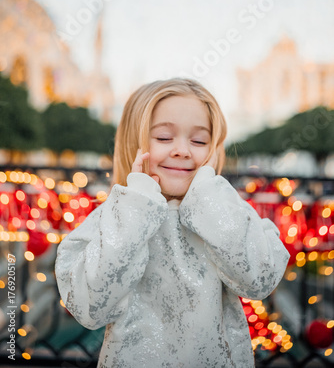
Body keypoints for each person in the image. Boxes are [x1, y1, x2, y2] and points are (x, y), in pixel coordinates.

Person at [55, 77, 289, 368]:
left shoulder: (226, 211)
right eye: (164, 138)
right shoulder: (115, 216)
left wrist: (209, 196)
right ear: (134, 143)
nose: (182, 150)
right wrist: (137, 207)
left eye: (199, 141)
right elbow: (90, 307)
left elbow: (259, 281)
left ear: (213, 149)